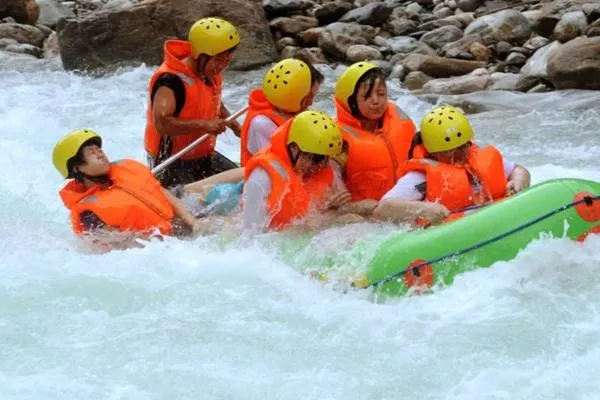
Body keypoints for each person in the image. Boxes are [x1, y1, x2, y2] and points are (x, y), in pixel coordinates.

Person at [374, 105, 531, 226]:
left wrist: (517, 183)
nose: (461, 154)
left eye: (464, 146)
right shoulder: (420, 177)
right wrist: (425, 209)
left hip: (490, 220)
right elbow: (383, 209)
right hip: (451, 233)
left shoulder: (477, 158)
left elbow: (520, 170)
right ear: (433, 152)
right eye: (452, 151)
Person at [54, 129, 206, 250]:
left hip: (180, 223)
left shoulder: (128, 169)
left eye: (99, 150)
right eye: (91, 152)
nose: (100, 153)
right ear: (76, 168)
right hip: (160, 246)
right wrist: (171, 244)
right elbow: (122, 242)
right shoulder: (88, 213)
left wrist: (192, 223)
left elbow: (162, 193)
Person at [145, 17, 242, 188]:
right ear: (201, 55)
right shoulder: (170, 81)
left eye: (228, 60)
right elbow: (162, 123)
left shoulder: (208, 71)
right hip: (171, 162)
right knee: (193, 211)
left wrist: (234, 124)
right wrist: (204, 125)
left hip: (202, 155)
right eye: (219, 59)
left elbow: (213, 101)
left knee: (243, 183)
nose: (223, 66)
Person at [242, 110, 353, 232]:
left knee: (352, 219)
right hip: (278, 241)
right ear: (294, 148)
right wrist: (306, 228)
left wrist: (332, 209)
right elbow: (251, 236)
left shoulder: (323, 167)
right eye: (315, 158)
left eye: (324, 159)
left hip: (305, 235)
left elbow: (338, 210)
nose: (318, 166)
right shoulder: (261, 178)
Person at [333, 61, 417, 202]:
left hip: (407, 202)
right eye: (367, 96)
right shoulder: (337, 139)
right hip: (367, 213)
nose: (376, 101)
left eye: (381, 94)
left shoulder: (399, 117)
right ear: (351, 102)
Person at [239, 58, 324, 166]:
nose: (311, 102)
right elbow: (279, 166)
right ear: (293, 92)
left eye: (313, 96)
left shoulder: (294, 112)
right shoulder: (261, 123)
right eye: (309, 96)